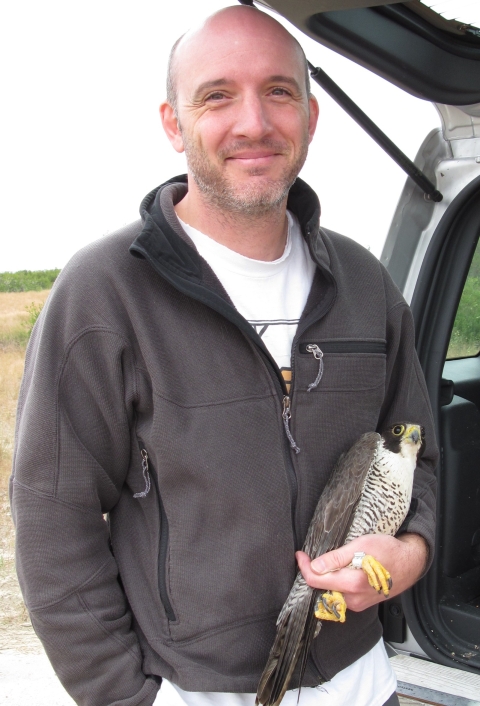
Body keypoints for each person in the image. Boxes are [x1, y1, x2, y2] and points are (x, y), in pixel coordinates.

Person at [10, 5, 437, 706]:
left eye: (278, 91)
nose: (253, 124)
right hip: (194, 693)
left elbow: (421, 461)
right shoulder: (103, 294)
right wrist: (130, 698)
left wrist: (410, 555)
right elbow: (55, 527)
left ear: (311, 115)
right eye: (216, 96)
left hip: (364, 683)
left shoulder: (366, 286)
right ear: (173, 123)